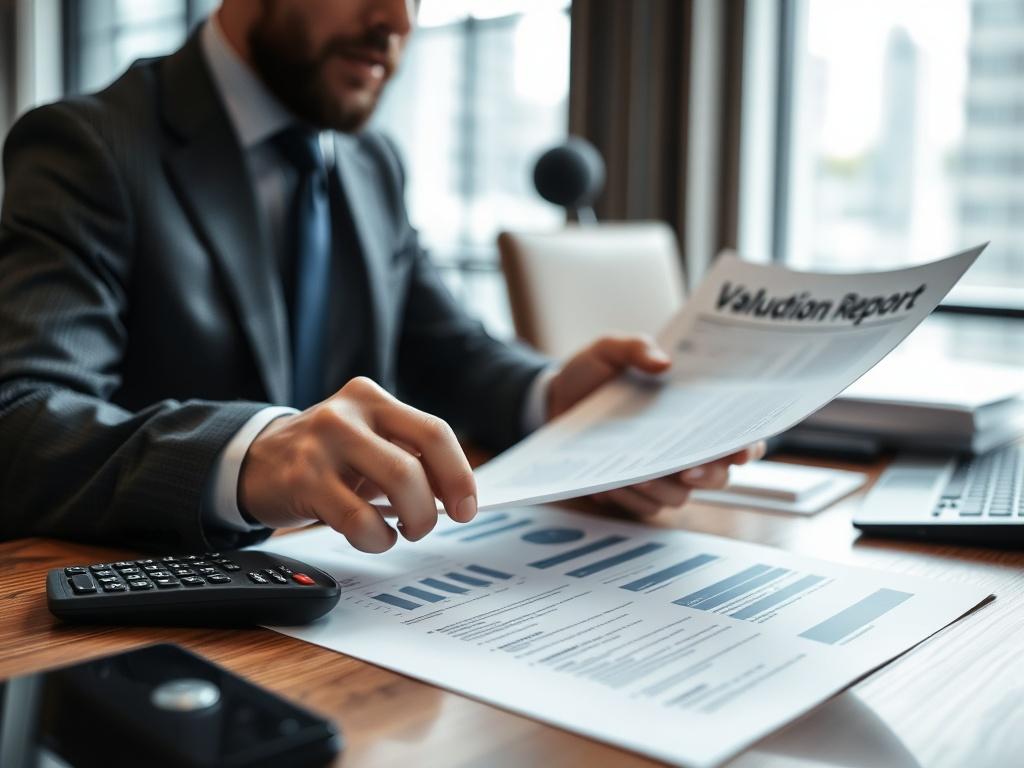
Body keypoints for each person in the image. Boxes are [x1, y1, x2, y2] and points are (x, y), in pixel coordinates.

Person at [0, 0, 763, 554]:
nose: (398, 19)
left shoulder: (369, 161)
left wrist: (555, 395)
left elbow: (449, 350)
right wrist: (251, 452)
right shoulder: (88, 146)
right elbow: (21, 420)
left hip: (354, 606)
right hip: (164, 622)